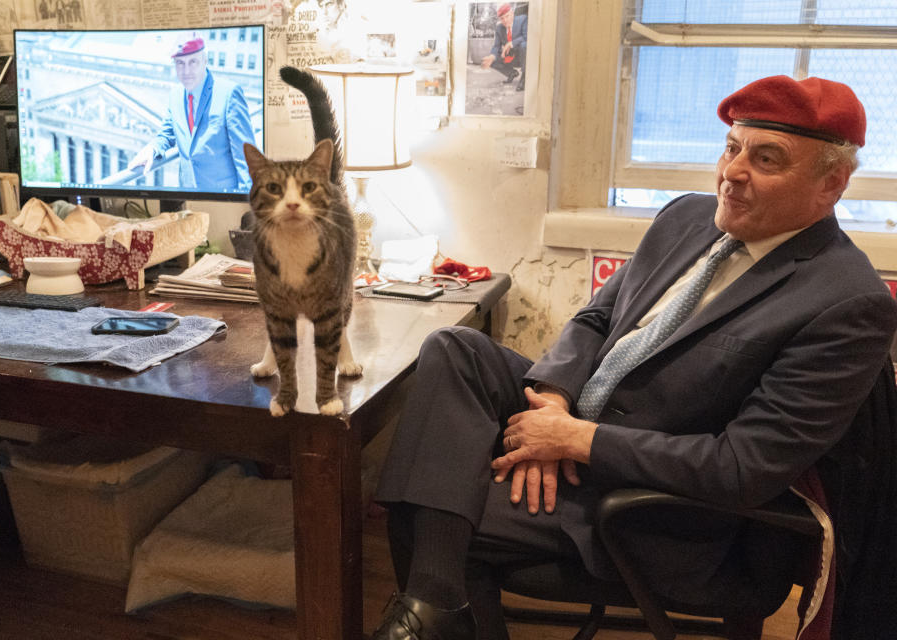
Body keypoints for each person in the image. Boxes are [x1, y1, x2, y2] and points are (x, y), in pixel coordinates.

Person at [369, 75, 897, 640]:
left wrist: (575, 441)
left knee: (427, 501)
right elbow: (599, 319)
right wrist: (553, 401)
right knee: (454, 347)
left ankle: (431, 612)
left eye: (766, 159)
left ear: (832, 183)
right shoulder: (688, 218)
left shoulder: (846, 302)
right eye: (731, 148)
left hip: (668, 513)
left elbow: (741, 467)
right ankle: (438, 613)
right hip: (584, 421)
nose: (732, 174)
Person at [128, 34, 255, 192]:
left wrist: (244, 204)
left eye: (193, 62)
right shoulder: (175, 95)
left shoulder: (228, 94)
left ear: (205, 61)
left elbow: (246, 158)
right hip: (188, 195)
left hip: (223, 197)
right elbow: (167, 134)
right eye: (180, 63)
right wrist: (152, 149)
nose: (186, 71)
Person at [480, 3, 526, 92]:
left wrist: (511, 43)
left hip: (523, 56)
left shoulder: (522, 19)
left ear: (512, 13)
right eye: (502, 18)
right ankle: (511, 73)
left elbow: (527, 36)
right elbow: (496, 46)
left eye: (507, 16)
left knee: (524, 44)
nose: (505, 20)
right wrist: (492, 56)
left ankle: (524, 77)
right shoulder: (499, 28)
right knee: (492, 59)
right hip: (511, 57)